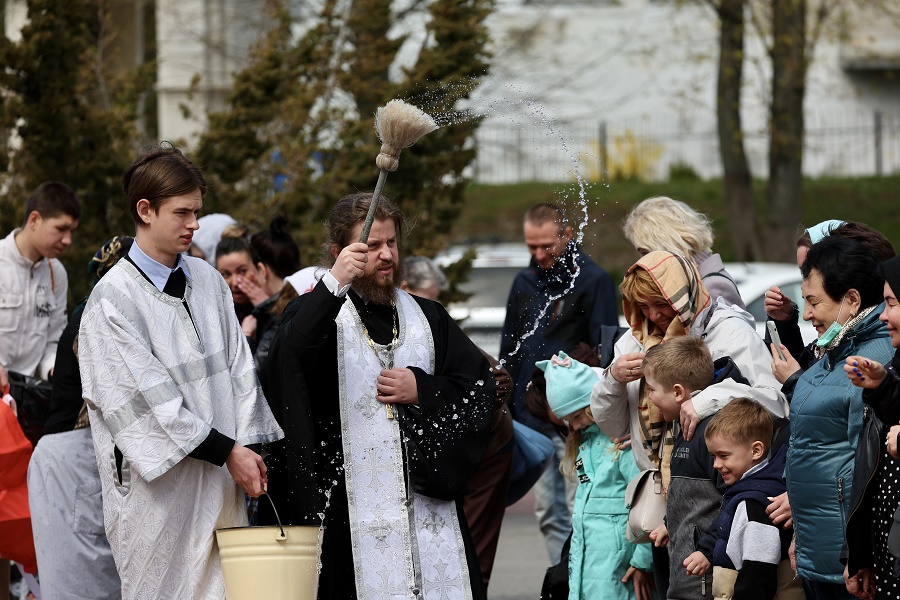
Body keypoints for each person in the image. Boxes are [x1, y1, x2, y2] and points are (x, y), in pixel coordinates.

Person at [263, 192, 496, 600]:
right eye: (372, 245)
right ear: (339, 252)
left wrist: (423, 389)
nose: (387, 255)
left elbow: (479, 389)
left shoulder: (429, 317)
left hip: (426, 510)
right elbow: (287, 363)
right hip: (349, 513)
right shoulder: (316, 314)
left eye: (391, 242)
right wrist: (333, 284)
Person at [77, 145, 284, 600]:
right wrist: (228, 451)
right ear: (145, 211)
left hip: (222, 482)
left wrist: (245, 450)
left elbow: (241, 370)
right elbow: (147, 405)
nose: (194, 224)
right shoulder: (112, 301)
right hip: (157, 499)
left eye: (197, 212)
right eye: (183, 212)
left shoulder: (208, 280)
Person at [590, 251, 788, 597]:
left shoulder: (729, 331)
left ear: (682, 294)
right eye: (642, 306)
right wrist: (612, 379)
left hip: (715, 496)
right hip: (667, 505)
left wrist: (705, 399)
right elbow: (614, 427)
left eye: (660, 303)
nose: (653, 315)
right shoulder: (634, 340)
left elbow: (775, 402)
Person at [500, 202, 618, 564]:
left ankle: (580, 577)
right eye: (531, 246)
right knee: (549, 511)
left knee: (581, 504)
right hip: (531, 415)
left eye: (546, 246)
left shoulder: (593, 280)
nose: (538, 255)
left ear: (567, 235)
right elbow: (510, 349)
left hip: (574, 418)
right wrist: (509, 407)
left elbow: (604, 351)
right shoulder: (524, 281)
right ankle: (560, 577)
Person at [776, 235, 893, 599]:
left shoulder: (873, 362)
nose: (806, 313)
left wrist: (859, 554)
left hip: (851, 566)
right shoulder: (829, 355)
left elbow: (870, 471)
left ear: (852, 300)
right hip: (818, 554)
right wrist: (801, 539)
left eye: (814, 302)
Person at [27, 237, 132, 600]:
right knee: (84, 587)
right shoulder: (97, 317)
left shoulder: (98, 311)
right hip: (73, 461)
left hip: (78, 460)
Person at [402, 255, 514, 591]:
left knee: (471, 559)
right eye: (431, 298)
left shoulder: (432, 324)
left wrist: (429, 396)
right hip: (441, 459)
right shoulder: (399, 322)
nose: (437, 310)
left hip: (485, 451)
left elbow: (496, 380)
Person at [539, 350, 653, 600]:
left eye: (577, 416)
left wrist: (643, 562)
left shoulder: (621, 443)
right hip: (593, 567)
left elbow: (647, 504)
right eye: (567, 421)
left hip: (620, 568)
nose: (574, 426)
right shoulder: (586, 444)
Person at [641, 335, 729, 600]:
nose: (649, 397)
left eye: (652, 389)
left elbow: (733, 499)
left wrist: (707, 549)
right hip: (687, 578)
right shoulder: (686, 427)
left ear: (678, 392)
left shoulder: (709, 434)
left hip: (703, 581)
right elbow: (693, 498)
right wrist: (670, 523)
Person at [843, 253, 900, 600]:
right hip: (887, 553)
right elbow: (868, 473)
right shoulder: (893, 366)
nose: (883, 315)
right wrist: (860, 554)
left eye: (891, 303)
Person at [703, 398, 799, 600]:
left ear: (756, 451)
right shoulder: (747, 491)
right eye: (713, 456)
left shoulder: (754, 503)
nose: (716, 465)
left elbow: (757, 572)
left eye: (723, 455)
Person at [0, 182, 80, 389]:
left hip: (27, 396)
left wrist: (56, 371)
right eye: (61, 229)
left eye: (71, 231)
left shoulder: (56, 274)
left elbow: (54, 342)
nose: (68, 240)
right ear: (35, 220)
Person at [622, 195, 744, 308]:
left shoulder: (710, 287)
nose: (643, 260)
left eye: (645, 253)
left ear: (666, 243)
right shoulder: (698, 280)